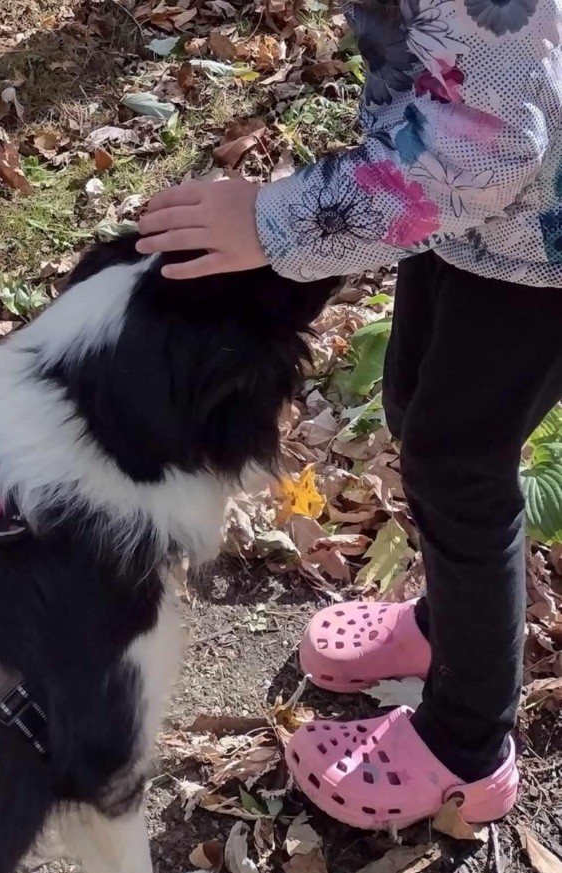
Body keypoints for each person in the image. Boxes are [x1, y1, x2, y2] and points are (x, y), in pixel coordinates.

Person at [138, 0, 562, 830]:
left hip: (540, 245)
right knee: (413, 409)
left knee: (458, 467)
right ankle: (451, 626)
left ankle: (468, 750)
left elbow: (494, 143)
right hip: (474, 224)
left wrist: (275, 218)